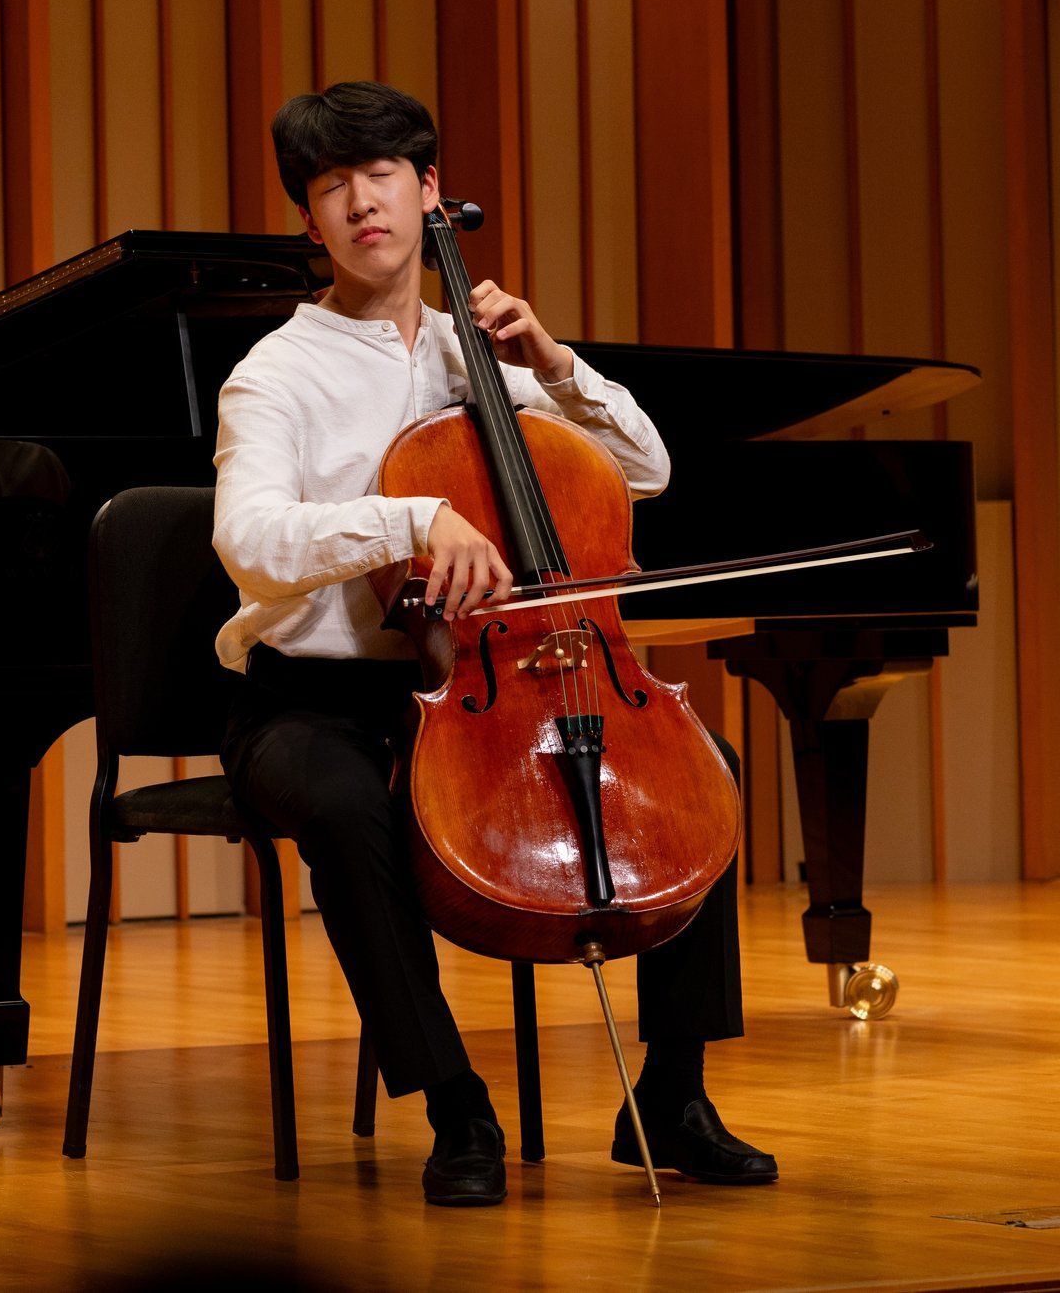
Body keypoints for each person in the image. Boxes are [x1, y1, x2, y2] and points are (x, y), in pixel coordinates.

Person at [212, 83, 778, 1206]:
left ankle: (672, 1096)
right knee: (347, 809)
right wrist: (413, 518)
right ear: (309, 221)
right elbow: (250, 540)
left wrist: (557, 366)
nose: (361, 204)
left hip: (500, 683)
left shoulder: (480, 357)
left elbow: (645, 472)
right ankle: (454, 1105)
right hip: (315, 700)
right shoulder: (274, 374)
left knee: (695, 771)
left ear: (429, 192)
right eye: (332, 187)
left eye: (382, 176)